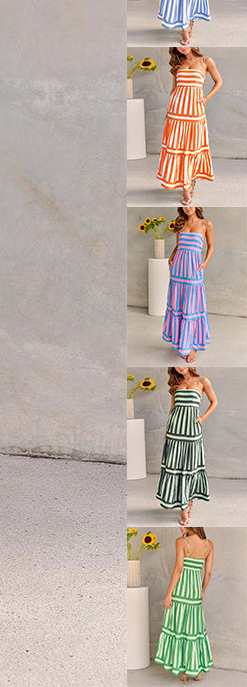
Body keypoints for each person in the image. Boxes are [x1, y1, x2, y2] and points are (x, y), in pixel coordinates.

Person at [155, 46, 221, 206]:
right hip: (176, 113)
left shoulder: (206, 61)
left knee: (192, 149)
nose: (182, 47)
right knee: (179, 148)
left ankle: (190, 181)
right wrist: (168, 111)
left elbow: (219, 82)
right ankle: (186, 188)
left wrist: (205, 99)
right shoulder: (177, 63)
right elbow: (174, 89)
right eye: (178, 45)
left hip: (195, 113)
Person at [156, 367, 215, 525]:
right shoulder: (176, 384)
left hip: (192, 432)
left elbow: (214, 402)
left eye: (181, 364)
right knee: (176, 468)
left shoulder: (203, 381)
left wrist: (202, 418)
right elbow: (172, 409)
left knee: (190, 468)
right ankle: (184, 509)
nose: (179, 367)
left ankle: (188, 502)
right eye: (175, 365)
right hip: (175, 432)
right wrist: (167, 431)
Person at [154, 528, 214, 681]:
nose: (180, 528)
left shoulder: (181, 542)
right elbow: (208, 573)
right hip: (194, 592)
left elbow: (179, 569)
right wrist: (202, 590)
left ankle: (184, 671)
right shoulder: (209, 545)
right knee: (194, 630)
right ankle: (196, 670)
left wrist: (169, 593)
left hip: (180, 592)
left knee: (180, 629)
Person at [162, 207, 212, 362]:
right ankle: (181, 343)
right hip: (178, 269)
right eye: (185, 206)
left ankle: (193, 346)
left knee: (192, 307)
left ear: (197, 206)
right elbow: (179, 246)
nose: (188, 208)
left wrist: (204, 263)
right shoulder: (180, 223)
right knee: (178, 306)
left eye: (190, 205)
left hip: (193, 270)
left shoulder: (206, 224)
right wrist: (171, 255)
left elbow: (211, 246)